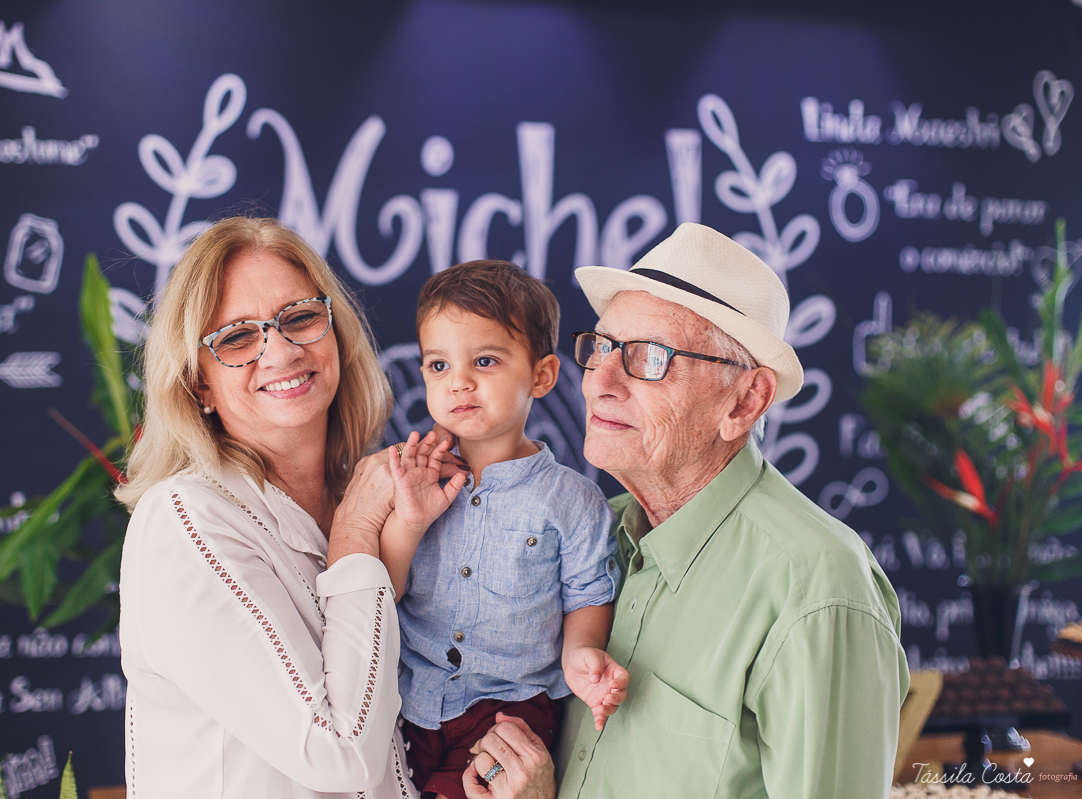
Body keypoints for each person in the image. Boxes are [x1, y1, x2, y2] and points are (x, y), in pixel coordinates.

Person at [471, 223, 910, 799]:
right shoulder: (591, 534)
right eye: (601, 347)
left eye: (650, 357)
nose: (600, 382)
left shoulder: (817, 589)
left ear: (745, 401)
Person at [116, 216, 419, 798]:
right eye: (236, 338)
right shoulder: (184, 522)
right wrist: (356, 533)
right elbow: (340, 753)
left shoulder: (365, 500)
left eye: (300, 317)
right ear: (198, 384)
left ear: (335, 332)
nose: (280, 350)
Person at [378, 260, 627, 799]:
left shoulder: (573, 502)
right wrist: (410, 519)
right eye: (439, 365)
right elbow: (381, 590)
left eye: (485, 361)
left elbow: (587, 595)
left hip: (508, 711)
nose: (459, 382)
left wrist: (581, 654)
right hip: (409, 698)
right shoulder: (414, 478)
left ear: (541, 376)